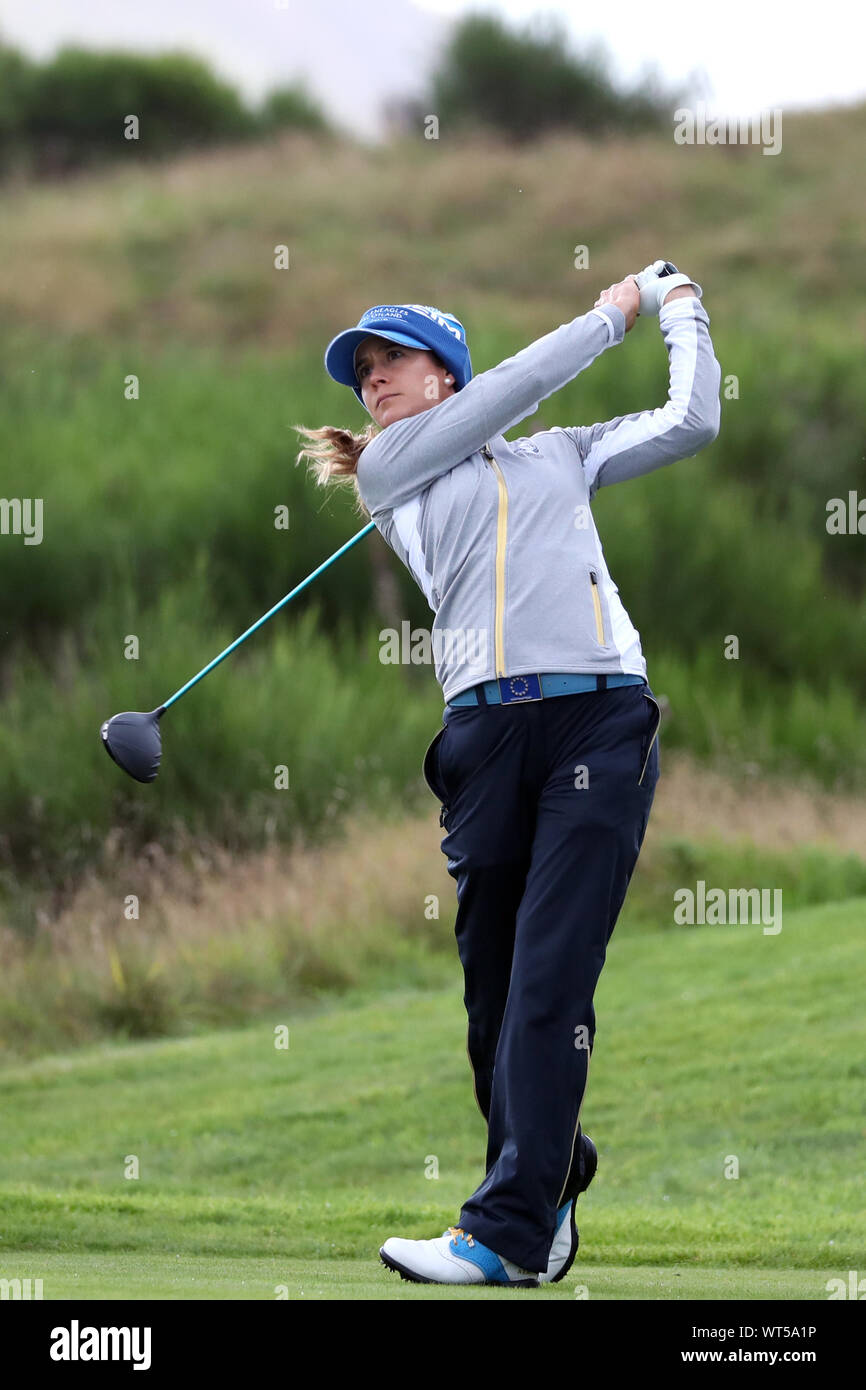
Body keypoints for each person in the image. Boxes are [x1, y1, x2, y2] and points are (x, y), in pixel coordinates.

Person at [295, 274, 721, 1287]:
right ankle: (552, 1167)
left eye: (388, 360)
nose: (372, 383)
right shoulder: (392, 469)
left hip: (597, 716)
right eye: (362, 372)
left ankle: (504, 1232)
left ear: (440, 367)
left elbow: (689, 419)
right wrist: (605, 311)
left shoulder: (558, 456)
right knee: (492, 999)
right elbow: (516, 387)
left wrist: (677, 309)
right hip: (483, 735)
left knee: (545, 981)